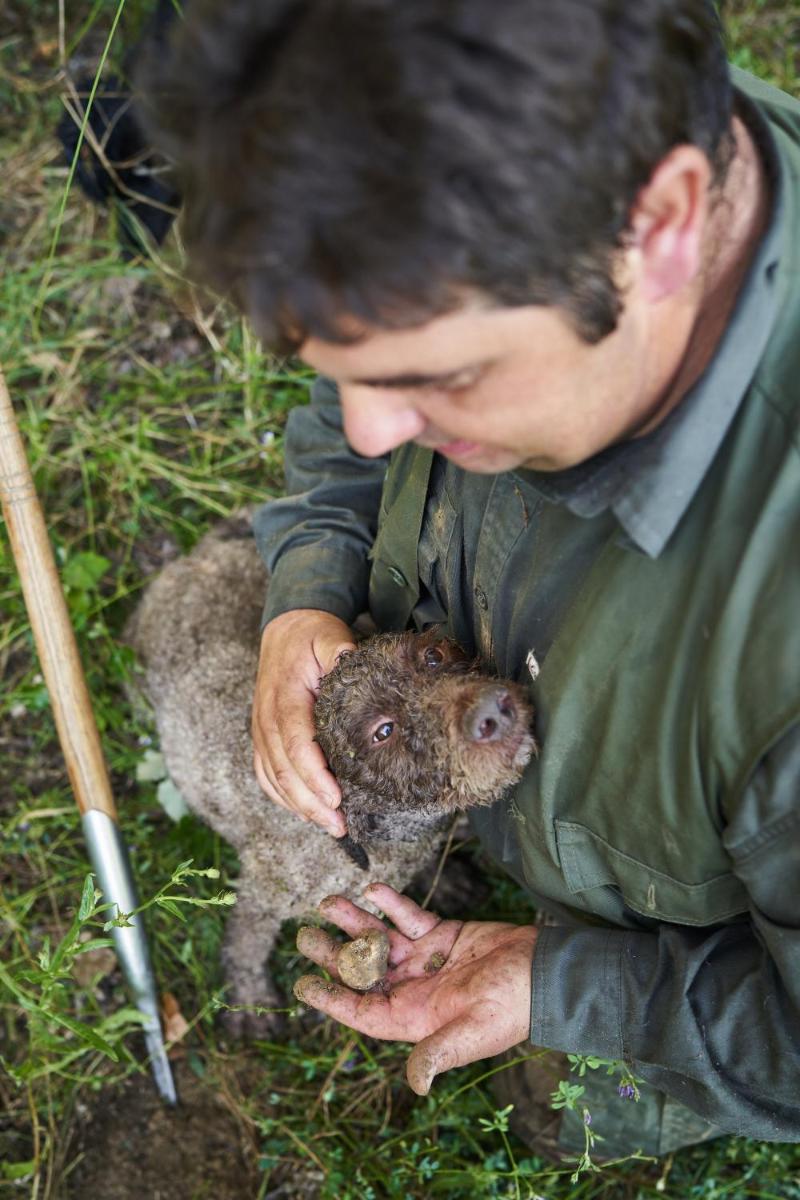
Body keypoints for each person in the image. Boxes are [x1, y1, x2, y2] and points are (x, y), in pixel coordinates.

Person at [142, 0, 800, 1157]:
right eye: (333, 364)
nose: (364, 430)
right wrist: (307, 581)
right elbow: (358, 400)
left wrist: (572, 985)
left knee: (555, 1110)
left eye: (435, 377)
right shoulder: (476, 218)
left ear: (661, 225)